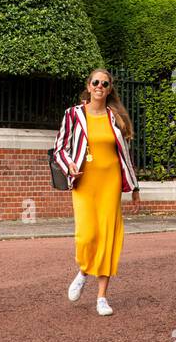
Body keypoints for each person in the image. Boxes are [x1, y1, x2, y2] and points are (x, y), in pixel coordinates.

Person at [52, 68, 139, 315]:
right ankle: (83, 271)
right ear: (88, 86)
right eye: (96, 82)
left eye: (105, 83)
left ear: (109, 89)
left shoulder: (116, 118)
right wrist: (69, 165)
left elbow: (124, 156)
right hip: (84, 182)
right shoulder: (73, 114)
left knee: (108, 236)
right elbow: (59, 148)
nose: (100, 86)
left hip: (110, 182)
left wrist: (134, 187)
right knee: (86, 235)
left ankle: (102, 297)